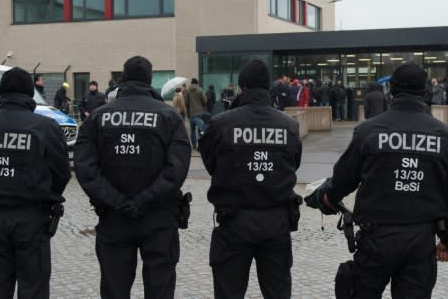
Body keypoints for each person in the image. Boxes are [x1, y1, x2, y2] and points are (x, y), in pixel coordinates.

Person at [306, 62, 448, 298]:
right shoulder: (445, 136)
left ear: (391, 91)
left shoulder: (369, 131)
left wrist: (328, 197)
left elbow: (344, 178)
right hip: (420, 240)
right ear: (424, 91)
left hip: (376, 238)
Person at [74, 56, 191, 298]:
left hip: (114, 217)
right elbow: (176, 170)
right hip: (158, 217)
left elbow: (85, 169)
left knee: (114, 289)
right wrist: (145, 200)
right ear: (150, 81)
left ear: (123, 80)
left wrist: (117, 201)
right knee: (160, 289)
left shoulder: (97, 117)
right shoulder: (169, 117)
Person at [0, 67, 71, 299]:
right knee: (33, 287)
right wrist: (44, 194)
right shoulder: (46, 128)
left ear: (1, 92)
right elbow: (61, 173)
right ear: (30, 94)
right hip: (33, 218)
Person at [199, 59, 302, 298]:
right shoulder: (289, 126)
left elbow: (210, 163)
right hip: (276, 221)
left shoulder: (221, 124)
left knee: (229, 292)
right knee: (278, 292)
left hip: (234, 221)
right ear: (268, 88)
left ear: (241, 88)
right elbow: (293, 164)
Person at [183, 78, 207, 149]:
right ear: (197, 83)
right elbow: (205, 101)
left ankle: (193, 144)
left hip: (192, 114)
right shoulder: (200, 90)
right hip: (200, 113)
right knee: (202, 129)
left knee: (192, 130)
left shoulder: (187, 91)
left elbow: (186, 103)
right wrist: (202, 105)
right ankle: (202, 143)